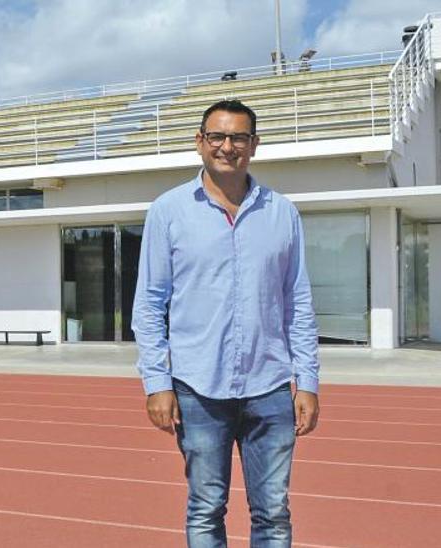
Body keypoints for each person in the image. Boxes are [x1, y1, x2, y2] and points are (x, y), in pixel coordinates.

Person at [132, 99, 320, 547]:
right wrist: (157, 382)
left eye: (238, 137)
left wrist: (308, 380)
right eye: (217, 136)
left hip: (270, 387)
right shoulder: (169, 211)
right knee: (205, 508)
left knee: (273, 512)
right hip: (197, 388)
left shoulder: (282, 213)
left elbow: (297, 301)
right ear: (200, 142)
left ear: (254, 145)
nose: (227, 146)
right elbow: (149, 303)